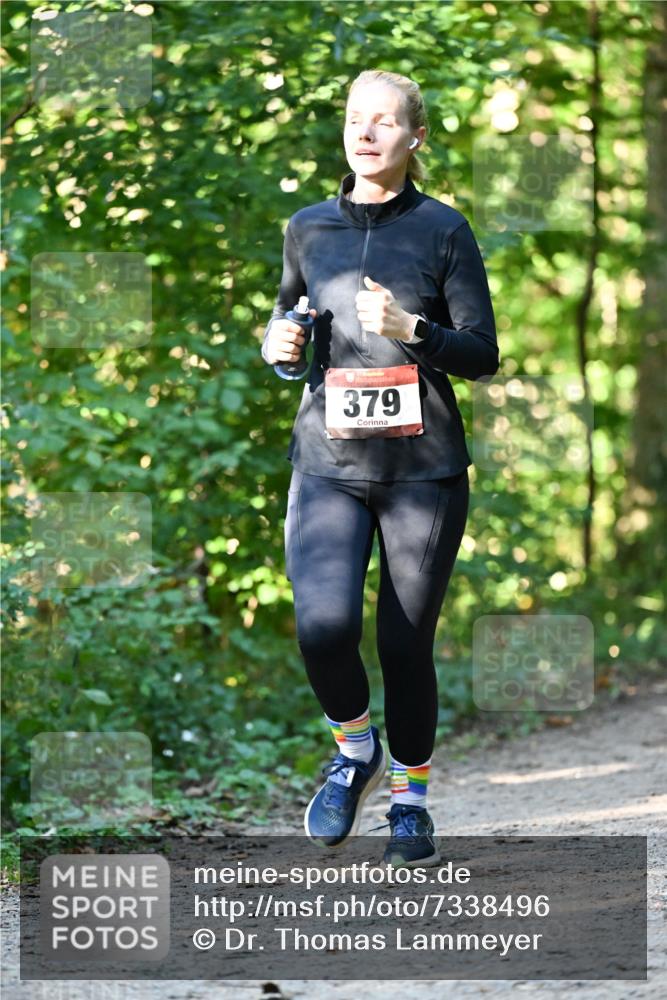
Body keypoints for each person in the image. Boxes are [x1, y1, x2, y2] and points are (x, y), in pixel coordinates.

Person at [261, 69, 499, 867]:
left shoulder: (442, 229)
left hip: (421, 472)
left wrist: (414, 327)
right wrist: (278, 348)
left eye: (385, 122)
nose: (366, 133)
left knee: (404, 644)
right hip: (326, 462)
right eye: (356, 119)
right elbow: (290, 321)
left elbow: (482, 354)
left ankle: (409, 802)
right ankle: (353, 748)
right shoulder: (306, 227)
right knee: (322, 627)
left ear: (414, 138)